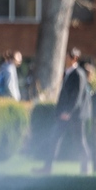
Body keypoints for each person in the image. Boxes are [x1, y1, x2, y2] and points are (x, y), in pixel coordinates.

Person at [35, 47, 92, 175]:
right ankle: (47, 168)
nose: (65, 59)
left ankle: (85, 169)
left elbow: (76, 96)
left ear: (74, 58)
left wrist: (69, 112)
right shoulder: (68, 73)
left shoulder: (78, 74)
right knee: (54, 138)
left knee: (80, 141)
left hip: (75, 115)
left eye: (67, 57)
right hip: (64, 114)